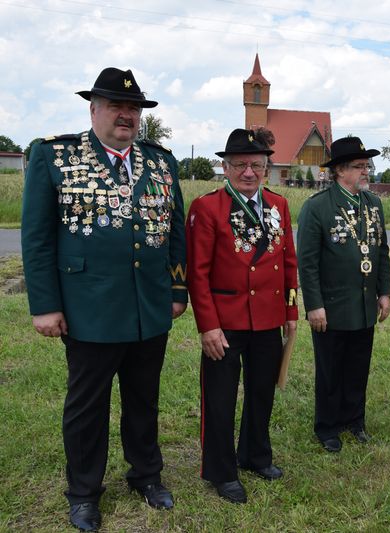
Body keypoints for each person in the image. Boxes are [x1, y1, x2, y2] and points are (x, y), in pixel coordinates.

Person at [21, 67, 186, 531]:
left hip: (148, 308)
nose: (126, 115)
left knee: (143, 398)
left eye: (133, 108)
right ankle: (84, 491)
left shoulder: (160, 162)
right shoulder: (55, 156)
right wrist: (45, 305)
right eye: (116, 105)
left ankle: (146, 475)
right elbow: (36, 238)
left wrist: (176, 290)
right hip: (88, 308)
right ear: (93, 109)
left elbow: (174, 231)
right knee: (87, 405)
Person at [186, 128, 298, 503]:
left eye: (256, 165)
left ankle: (255, 455)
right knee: (220, 399)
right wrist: (208, 325)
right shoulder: (207, 207)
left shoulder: (279, 205)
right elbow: (197, 273)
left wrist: (290, 311)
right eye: (239, 165)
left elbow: (288, 262)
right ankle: (220, 470)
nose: (248, 172)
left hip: (267, 318)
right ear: (225, 167)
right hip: (226, 322)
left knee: (261, 392)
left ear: (267, 167)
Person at [296, 136, 390, 453]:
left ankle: (354, 421)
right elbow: (307, 263)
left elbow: (381, 251)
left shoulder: (373, 205)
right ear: (339, 170)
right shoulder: (318, 207)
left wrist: (384, 292)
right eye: (359, 166)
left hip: (364, 304)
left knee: (358, 366)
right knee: (331, 370)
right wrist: (314, 306)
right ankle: (328, 427)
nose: (366, 171)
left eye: (367, 165)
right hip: (332, 308)